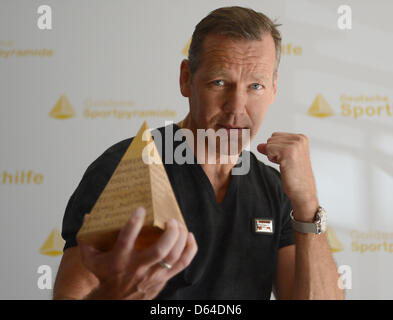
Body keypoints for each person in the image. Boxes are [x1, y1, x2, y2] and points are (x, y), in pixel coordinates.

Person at [53, 6, 344, 300]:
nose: (236, 107)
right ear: (185, 79)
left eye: (255, 86)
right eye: (219, 83)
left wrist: (307, 204)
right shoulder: (130, 169)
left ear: (273, 89)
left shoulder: (275, 188)